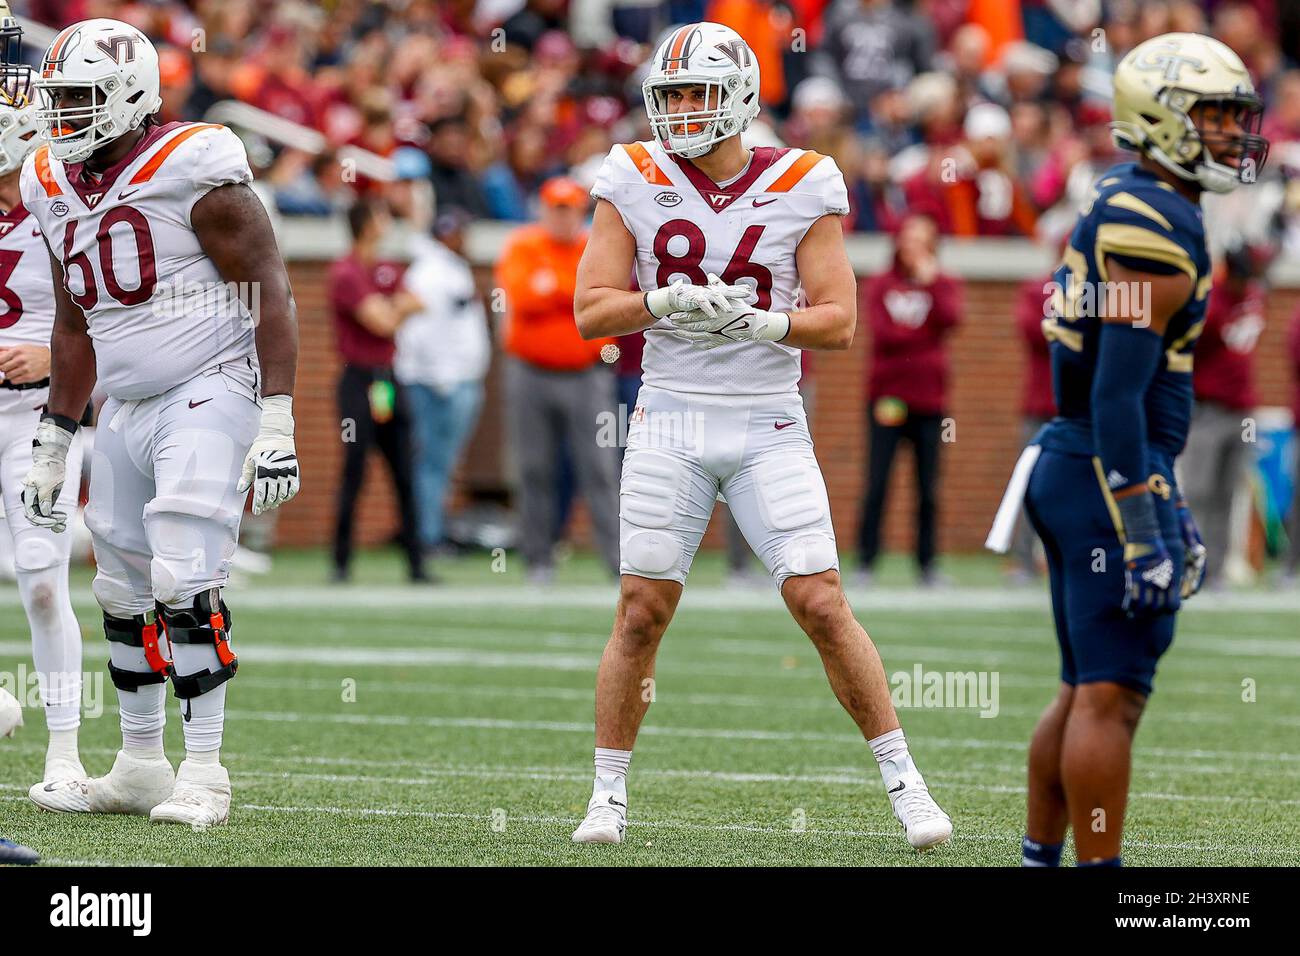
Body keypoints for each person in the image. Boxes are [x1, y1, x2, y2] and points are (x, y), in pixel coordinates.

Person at [569, 21, 951, 850]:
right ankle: (606, 795)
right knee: (641, 610)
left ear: (739, 94)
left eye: (693, 94)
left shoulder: (803, 179)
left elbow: (840, 321)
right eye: (665, 96)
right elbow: (590, 311)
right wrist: (662, 304)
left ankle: (906, 782)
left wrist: (765, 320)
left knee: (819, 600)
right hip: (667, 411)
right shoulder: (630, 174)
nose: (676, 112)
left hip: (768, 421)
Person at [21, 18, 303, 828]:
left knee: (184, 575)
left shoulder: (193, 164)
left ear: (131, 97)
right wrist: (54, 436)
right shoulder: (48, 178)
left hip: (210, 384)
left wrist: (277, 416)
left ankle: (205, 771)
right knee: (118, 585)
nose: (63, 116)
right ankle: (141, 761)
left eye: (81, 101)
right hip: (126, 399)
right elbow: (74, 324)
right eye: (57, 99)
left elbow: (270, 290)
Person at [1004, 33, 1267, 866]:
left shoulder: (1129, 193)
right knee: (1111, 698)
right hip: (1099, 466)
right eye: (1217, 118)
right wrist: (1144, 511)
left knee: (1085, 687)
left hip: (1076, 462)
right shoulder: (1150, 219)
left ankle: (1042, 857)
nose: (1233, 135)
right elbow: (1117, 392)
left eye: (1236, 119)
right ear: (1162, 118)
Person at [0, 13, 86, 799]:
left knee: (39, 577)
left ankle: (64, 750)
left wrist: (42, 352)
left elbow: (100, 309)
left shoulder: (63, 200)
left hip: (37, 411)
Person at [496, 176, 621, 582]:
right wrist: (570, 293)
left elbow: (607, 299)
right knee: (533, 468)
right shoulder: (523, 244)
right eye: (556, 209)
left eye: (570, 210)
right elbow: (523, 294)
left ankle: (619, 564)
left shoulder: (594, 246)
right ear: (544, 210)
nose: (563, 218)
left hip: (587, 374)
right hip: (530, 371)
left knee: (600, 469)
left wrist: (556, 288)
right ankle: (538, 561)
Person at [857, 213, 963, 586]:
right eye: (909, 239)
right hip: (888, 397)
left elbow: (952, 319)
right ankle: (866, 561)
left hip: (929, 401)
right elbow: (885, 335)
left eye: (923, 240)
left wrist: (931, 284)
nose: (914, 248)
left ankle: (927, 564)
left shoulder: (943, 284)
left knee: (928, 487)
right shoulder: (881, 284)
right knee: (878, 481)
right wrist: (922, 336)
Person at [329, 197, 428, 582]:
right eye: (380, 213)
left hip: (387, 379)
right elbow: (383, 322)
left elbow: (416, 303)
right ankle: (341, 562)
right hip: (358, 380)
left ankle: (417, 563)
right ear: (366, 223)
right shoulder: (346, 272)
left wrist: (392, 307)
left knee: (404, 469)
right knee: (354, 470)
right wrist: (394, 307)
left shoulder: (386, 267)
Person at [397, 209, 490, 554]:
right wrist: (442, 380)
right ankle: (427, 535)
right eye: (456, 232)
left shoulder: (452, 267)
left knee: (442, 462)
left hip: (456, 378)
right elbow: (421, 330)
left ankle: (432, 529)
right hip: (439, 382)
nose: (463, 238)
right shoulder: (430, 272)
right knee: (433, 461)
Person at [1179, 242, 1268, 588]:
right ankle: (1195, 564)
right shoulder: (1209, 302)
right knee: (1199, 489)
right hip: (1207, 409)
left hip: (1244, 412)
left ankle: (1216, 569)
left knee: (1229, 491)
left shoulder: (1253, 297)